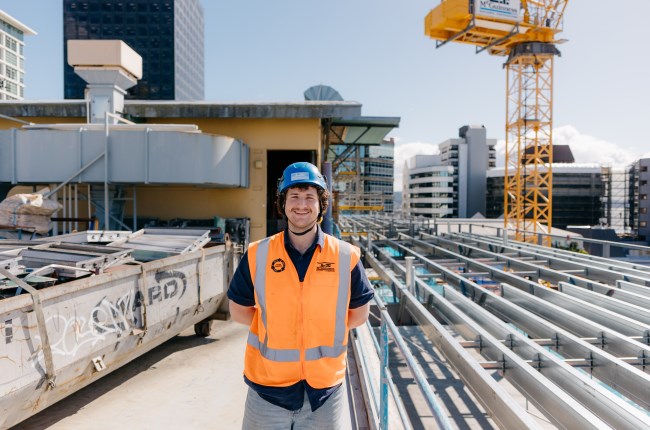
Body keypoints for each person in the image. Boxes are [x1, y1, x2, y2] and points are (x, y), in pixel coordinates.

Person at [227, 161, 374, 429]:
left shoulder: (345, 256)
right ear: (282, 203)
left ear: (321, 205)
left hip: (324, 395)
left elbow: (359, 315)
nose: (301, 204)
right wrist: (280, 327)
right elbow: (239, 311)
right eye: (294, 196)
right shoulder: (257, 254)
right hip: (267, 392)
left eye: (310, 197)